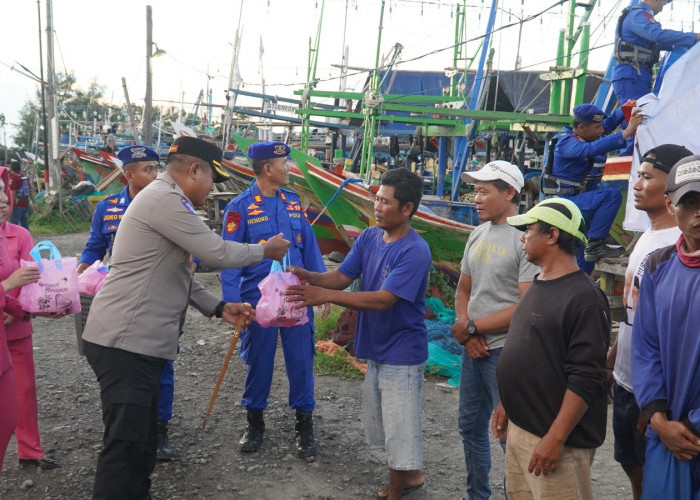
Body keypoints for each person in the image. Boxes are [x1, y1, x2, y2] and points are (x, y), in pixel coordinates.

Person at [81, 136, 290, 499]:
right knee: (124, 448)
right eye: (212, 180)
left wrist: (218, 306)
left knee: (142, 443)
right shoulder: (166, 200)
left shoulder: (166, 200)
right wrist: (263, 250)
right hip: (125, 342)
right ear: (194, 170)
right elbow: (217, 251)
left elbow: (176, 272)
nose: (212, 190)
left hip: (137, 343)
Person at [286, 168, 431, 500]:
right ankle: (412, 475)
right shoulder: (368, 238)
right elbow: (340, 277)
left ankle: (397, 491)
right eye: (376, 198)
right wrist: (307, 275)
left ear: (407, 208)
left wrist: (326, 297)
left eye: (385, 201)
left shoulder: (415, 250)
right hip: (376, 346)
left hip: (403, 350)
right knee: (383, 422)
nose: (377, 206)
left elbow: (383, 300)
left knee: (399, 428)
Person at [492, 197, 611, 499]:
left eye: (530, 229)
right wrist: (509, 404)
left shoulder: (584, 298)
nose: (523, 236)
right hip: (523, 429)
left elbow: (586, 377)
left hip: (556, 442)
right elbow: (531, 352)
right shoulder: (539, 283)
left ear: (552, 235)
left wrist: (555, 439)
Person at [221, 141, 327, 460]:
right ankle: (254, 424)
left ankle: (304, 427)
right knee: (259, 362)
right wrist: (232, 303)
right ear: (268, 169)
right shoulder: (240, 207)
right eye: (285, 164)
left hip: (295, 297)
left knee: (301, 360)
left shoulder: (294, 203)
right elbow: (229, 259)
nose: (289, 169)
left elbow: (309, 248)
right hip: (258, 303)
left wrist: (321, 289)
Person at [77, 144, 176, 460]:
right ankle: (120, 428)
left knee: (161, 366)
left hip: (159, 300)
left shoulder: (171, 206)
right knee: (120, 370)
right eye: (148, 169)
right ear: (128, 174)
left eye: (156, 168)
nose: (155, 174)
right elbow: (94, 249)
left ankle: (159, 430)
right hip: (120, 303)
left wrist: (191, 265)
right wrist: (77, 275)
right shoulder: (107, 208)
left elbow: (193, 248)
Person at [606, 144, 693, 500]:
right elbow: (635, 322)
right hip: (631, 383)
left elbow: (672, 338)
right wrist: (612, 359)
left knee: (655, 476)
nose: (637, 185)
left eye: (646, 177)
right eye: (636, 177)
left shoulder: (678, 247)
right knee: (633, 468)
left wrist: (656, 406)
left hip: (660, 397)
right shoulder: (651, 242)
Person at [451, 161, 539, 499]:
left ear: (509, 193)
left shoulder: (525, 238)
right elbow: (463, 290)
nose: (476, 198)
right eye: (476, 190)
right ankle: (478, 495)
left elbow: (525, 306)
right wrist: (467, 330)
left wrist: (472, 328)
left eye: (484, 191)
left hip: (505, 351)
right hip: (474, 346)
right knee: (469, 427)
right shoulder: (477, 233)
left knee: (509, 435)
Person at [631, 154, 700, 499]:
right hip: (667, 433)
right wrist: (658, 418)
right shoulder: (659, 266)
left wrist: (690, 426)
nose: (699, 212)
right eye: (690, 202)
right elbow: (645, 349)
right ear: (671, 206)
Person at [0, 166, 62, 470]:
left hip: (16, 326)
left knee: (23, 392)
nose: (1, 200)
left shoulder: (19, 234)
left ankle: (30, 450)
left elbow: (34, 280)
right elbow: (12, 282)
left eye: (3, 192)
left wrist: (28, 309)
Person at [542, 103, 643, 273]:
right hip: (563, 205)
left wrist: (630, 106)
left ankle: (583, 281)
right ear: (581, 127)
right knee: (611, 196)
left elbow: (609, 121)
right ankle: (596, 243)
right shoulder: (566, 142)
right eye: (597, 127)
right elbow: (589, 150)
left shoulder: (589, 133)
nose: (601, 131)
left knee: (586, 258)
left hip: (581, 203)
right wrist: (626, 133)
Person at [612, 0, 698, 108]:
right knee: (636, 115)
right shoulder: (638, 15)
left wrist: (692, 43)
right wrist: (694, 37)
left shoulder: (638, 16)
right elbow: (657, 35)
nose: (662, 9)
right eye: (663, 4)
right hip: (632, 74)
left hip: (637, 73)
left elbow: (660, 43)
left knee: (640, 115)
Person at [9, 160, 37, 230]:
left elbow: (13, 194)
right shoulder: (24, 177)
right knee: (24, 224)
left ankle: (13, 240)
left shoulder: (14, 178)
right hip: (25, 204)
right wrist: (34, 203)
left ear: (11, 168)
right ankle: (27, 238)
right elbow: (30, 191)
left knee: (13, 225)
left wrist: (11, 207)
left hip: (17, 205)